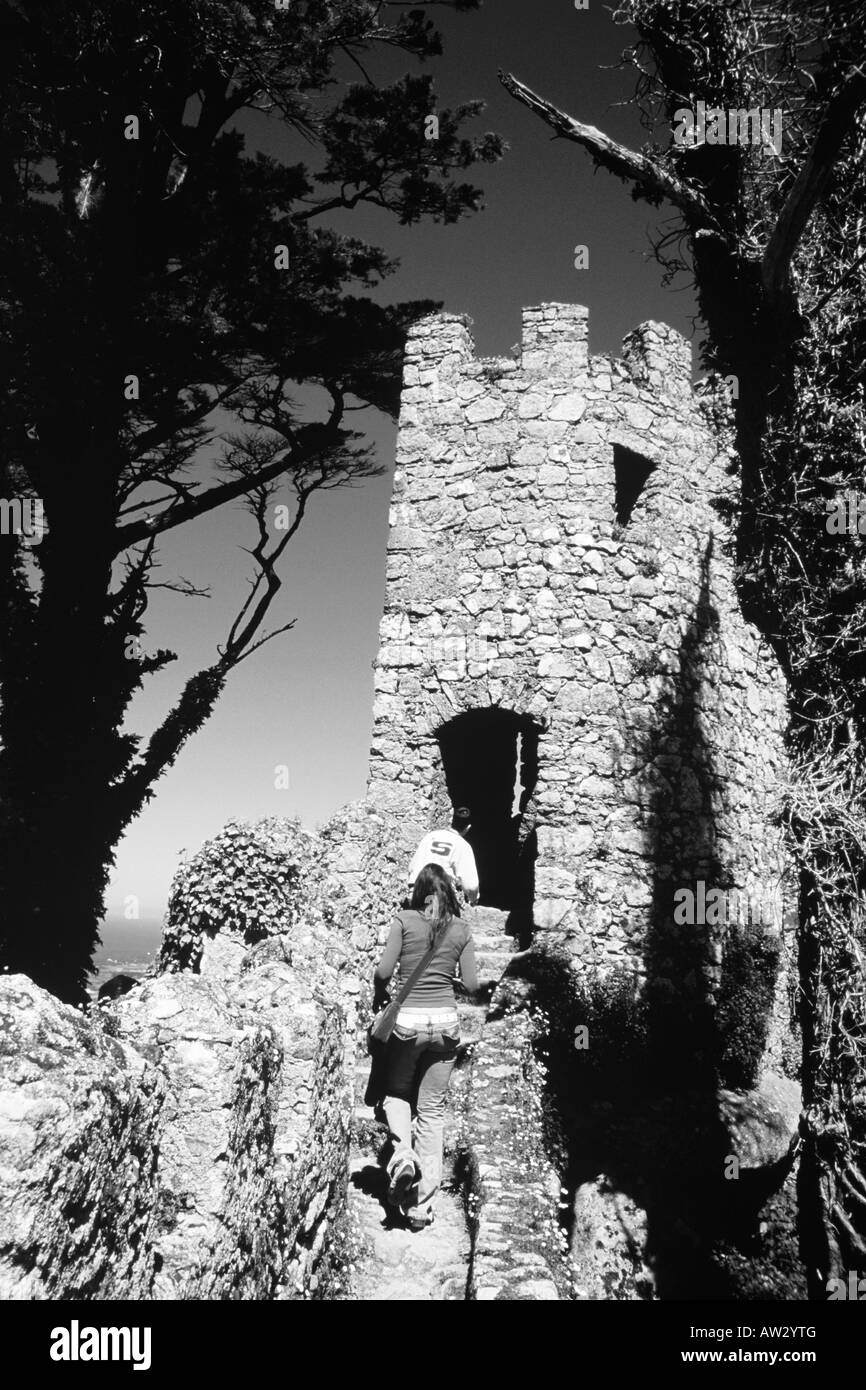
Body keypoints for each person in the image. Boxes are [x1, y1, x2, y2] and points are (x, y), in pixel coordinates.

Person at [374, 862, 478, 1230]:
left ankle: (403, 1158)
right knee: (432, 1110)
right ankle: (420, 1206)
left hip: (408, 1026)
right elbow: (471, 982)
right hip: (446, 1027)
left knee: (396, 1095)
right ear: (449, 892)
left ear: (419, 893)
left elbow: (385, 972)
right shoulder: (461, 929)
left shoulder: (403, 920)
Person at [406, 806, 480, 906]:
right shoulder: (463, 846)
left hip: (416, 892)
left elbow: (411, 867)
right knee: (437, 920)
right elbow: (471, 886)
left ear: (451, 821)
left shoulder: (431, 836)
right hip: (437, 897)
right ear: (468, 827)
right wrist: (474, 899)